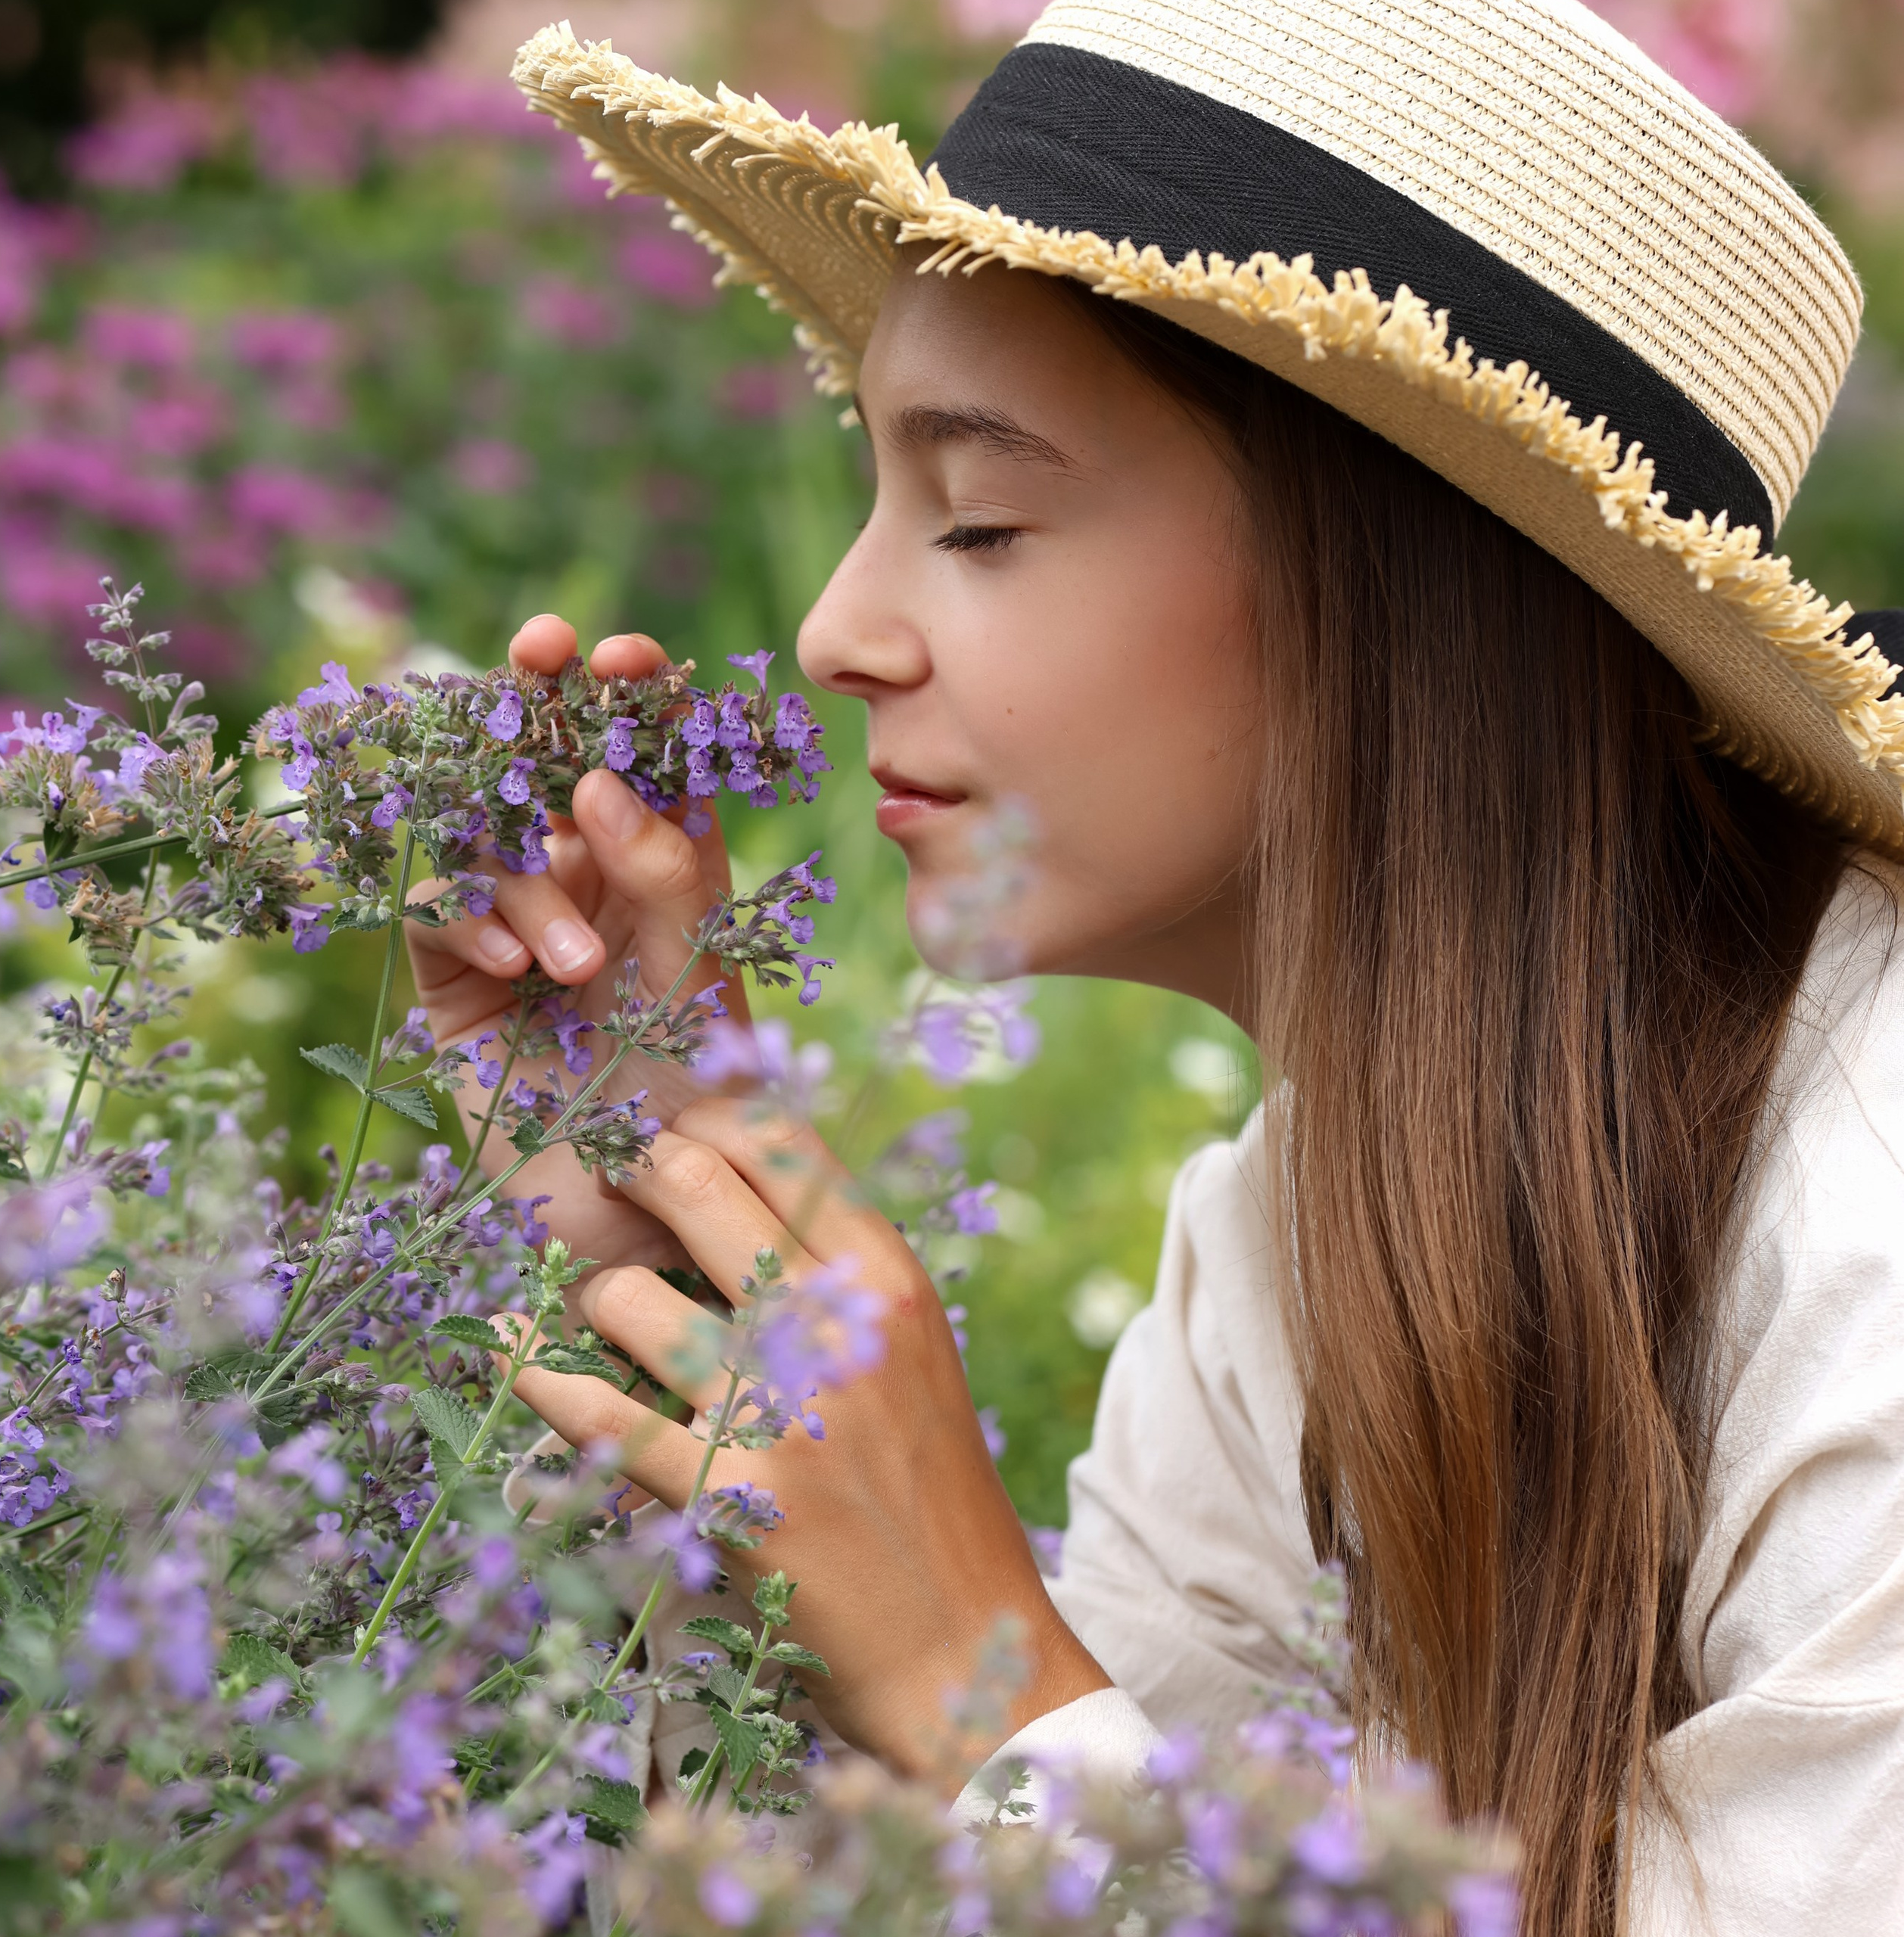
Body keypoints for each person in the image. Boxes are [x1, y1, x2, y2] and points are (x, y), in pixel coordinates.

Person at [404, 2, 1904, 1931]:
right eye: (878, 490)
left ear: (1402, 598)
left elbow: (1049, 1792)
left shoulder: (1865, 1215)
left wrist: (984, 1670)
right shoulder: (1290, 1239)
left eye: (984, 516)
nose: (835, 625)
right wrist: (677, 1239)